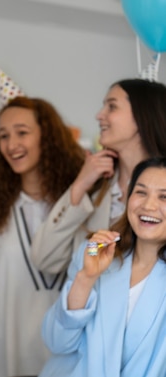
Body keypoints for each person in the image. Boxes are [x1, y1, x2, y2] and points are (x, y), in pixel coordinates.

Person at [0, 96, 85, 377]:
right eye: (4, 136)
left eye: (22, 132)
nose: (11, 144)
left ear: (48, 136)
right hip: (12, 353)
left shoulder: (81, 206)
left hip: (71, 352)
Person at [40, 156, 166, 377]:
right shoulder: (94, 251)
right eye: (141, 192)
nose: (149, 205)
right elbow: (56, 343)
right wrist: (86, 277)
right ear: (128, 196)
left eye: (164, 197)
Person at [32, 79, 166, 275]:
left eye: (112, 106)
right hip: (85, 304)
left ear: (142, 116)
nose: (99, 115)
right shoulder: (95, 192)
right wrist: (79, 187)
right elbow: (45, 260)